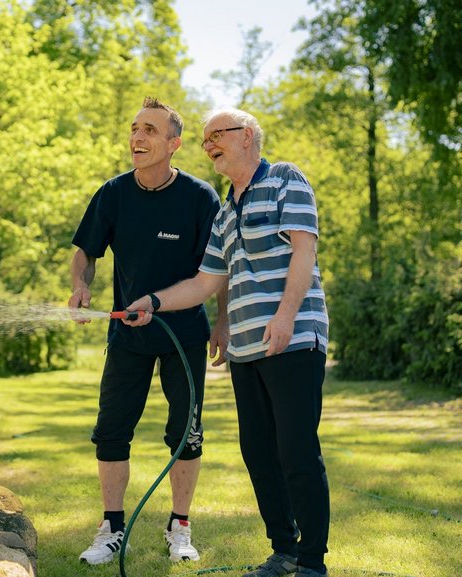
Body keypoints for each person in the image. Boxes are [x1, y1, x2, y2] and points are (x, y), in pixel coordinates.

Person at [125, 107, 331, 577]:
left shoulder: (285, 179)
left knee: (297, 451)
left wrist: (284, 317)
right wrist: (154, 302)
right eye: (205, 140)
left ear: (248, 136)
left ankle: (312, 563)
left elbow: (304, 250)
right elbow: (204, 283)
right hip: (245, 349)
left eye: (218, 135)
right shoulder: (225, 210)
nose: (210, 145)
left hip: (294, 339)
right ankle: (284, 551)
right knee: (258, 453)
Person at [68, 96, 228, 565]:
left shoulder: (201, 198)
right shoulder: (113, 193)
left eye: (150, 130)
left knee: (186, 433)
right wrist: (80, 285)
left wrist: (222, 320)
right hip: (128, 335)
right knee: (111, 431)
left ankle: (180, 527)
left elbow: (218, 270)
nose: (137, 137)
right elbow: (86, 253)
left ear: (174, 144)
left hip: (185, 335)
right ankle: (111, 529)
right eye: (135, 129)